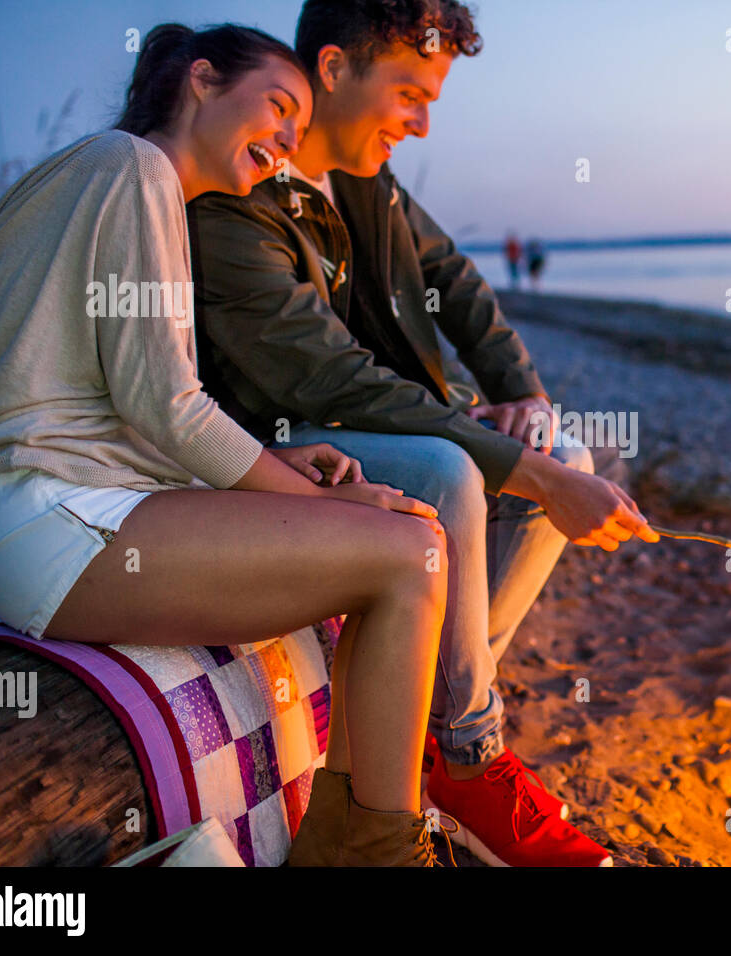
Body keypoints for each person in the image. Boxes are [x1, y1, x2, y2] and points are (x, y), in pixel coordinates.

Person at [0, 24, 451, 867]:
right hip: (56, 523)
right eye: (279, 107)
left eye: (297, 129)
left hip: (67, 510)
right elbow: (167, 408)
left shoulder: (114, 179)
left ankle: (358, 841)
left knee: (410, 548)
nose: (289, 141)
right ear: (202, 80)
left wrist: (274, 466)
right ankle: (379, 854)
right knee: (409, 554)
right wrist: (325, 504)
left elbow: (128, 409)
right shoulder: (133, 166)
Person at [188, 0, 658, 867]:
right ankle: (471, 755)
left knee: (565, 452)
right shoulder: (239, 196)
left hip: (374, 415)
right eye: (409, 93)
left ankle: (438, 739)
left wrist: (528, 405)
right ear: (334, 68)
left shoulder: (365, 182)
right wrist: (531, 476)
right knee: (455, 472)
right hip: (282, 442)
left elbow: (458, 284)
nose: (423, 121)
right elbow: (325, 378)